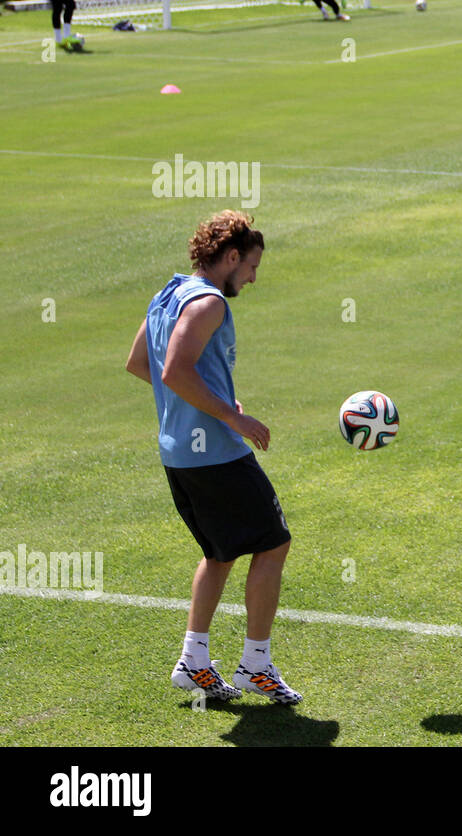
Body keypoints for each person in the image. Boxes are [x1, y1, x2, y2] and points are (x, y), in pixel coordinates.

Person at [125, 211, 302, 705]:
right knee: (274, 544)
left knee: (220, 554)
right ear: (230, 257)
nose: (251, 277)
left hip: (179, 454)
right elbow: (174, 371)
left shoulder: (168, 293)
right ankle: (256, 664)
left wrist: (214, 400)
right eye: (250, 266)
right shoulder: (209, 304)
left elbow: (140, 363)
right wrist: (230, 417)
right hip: (216, 456)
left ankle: (194, 661)